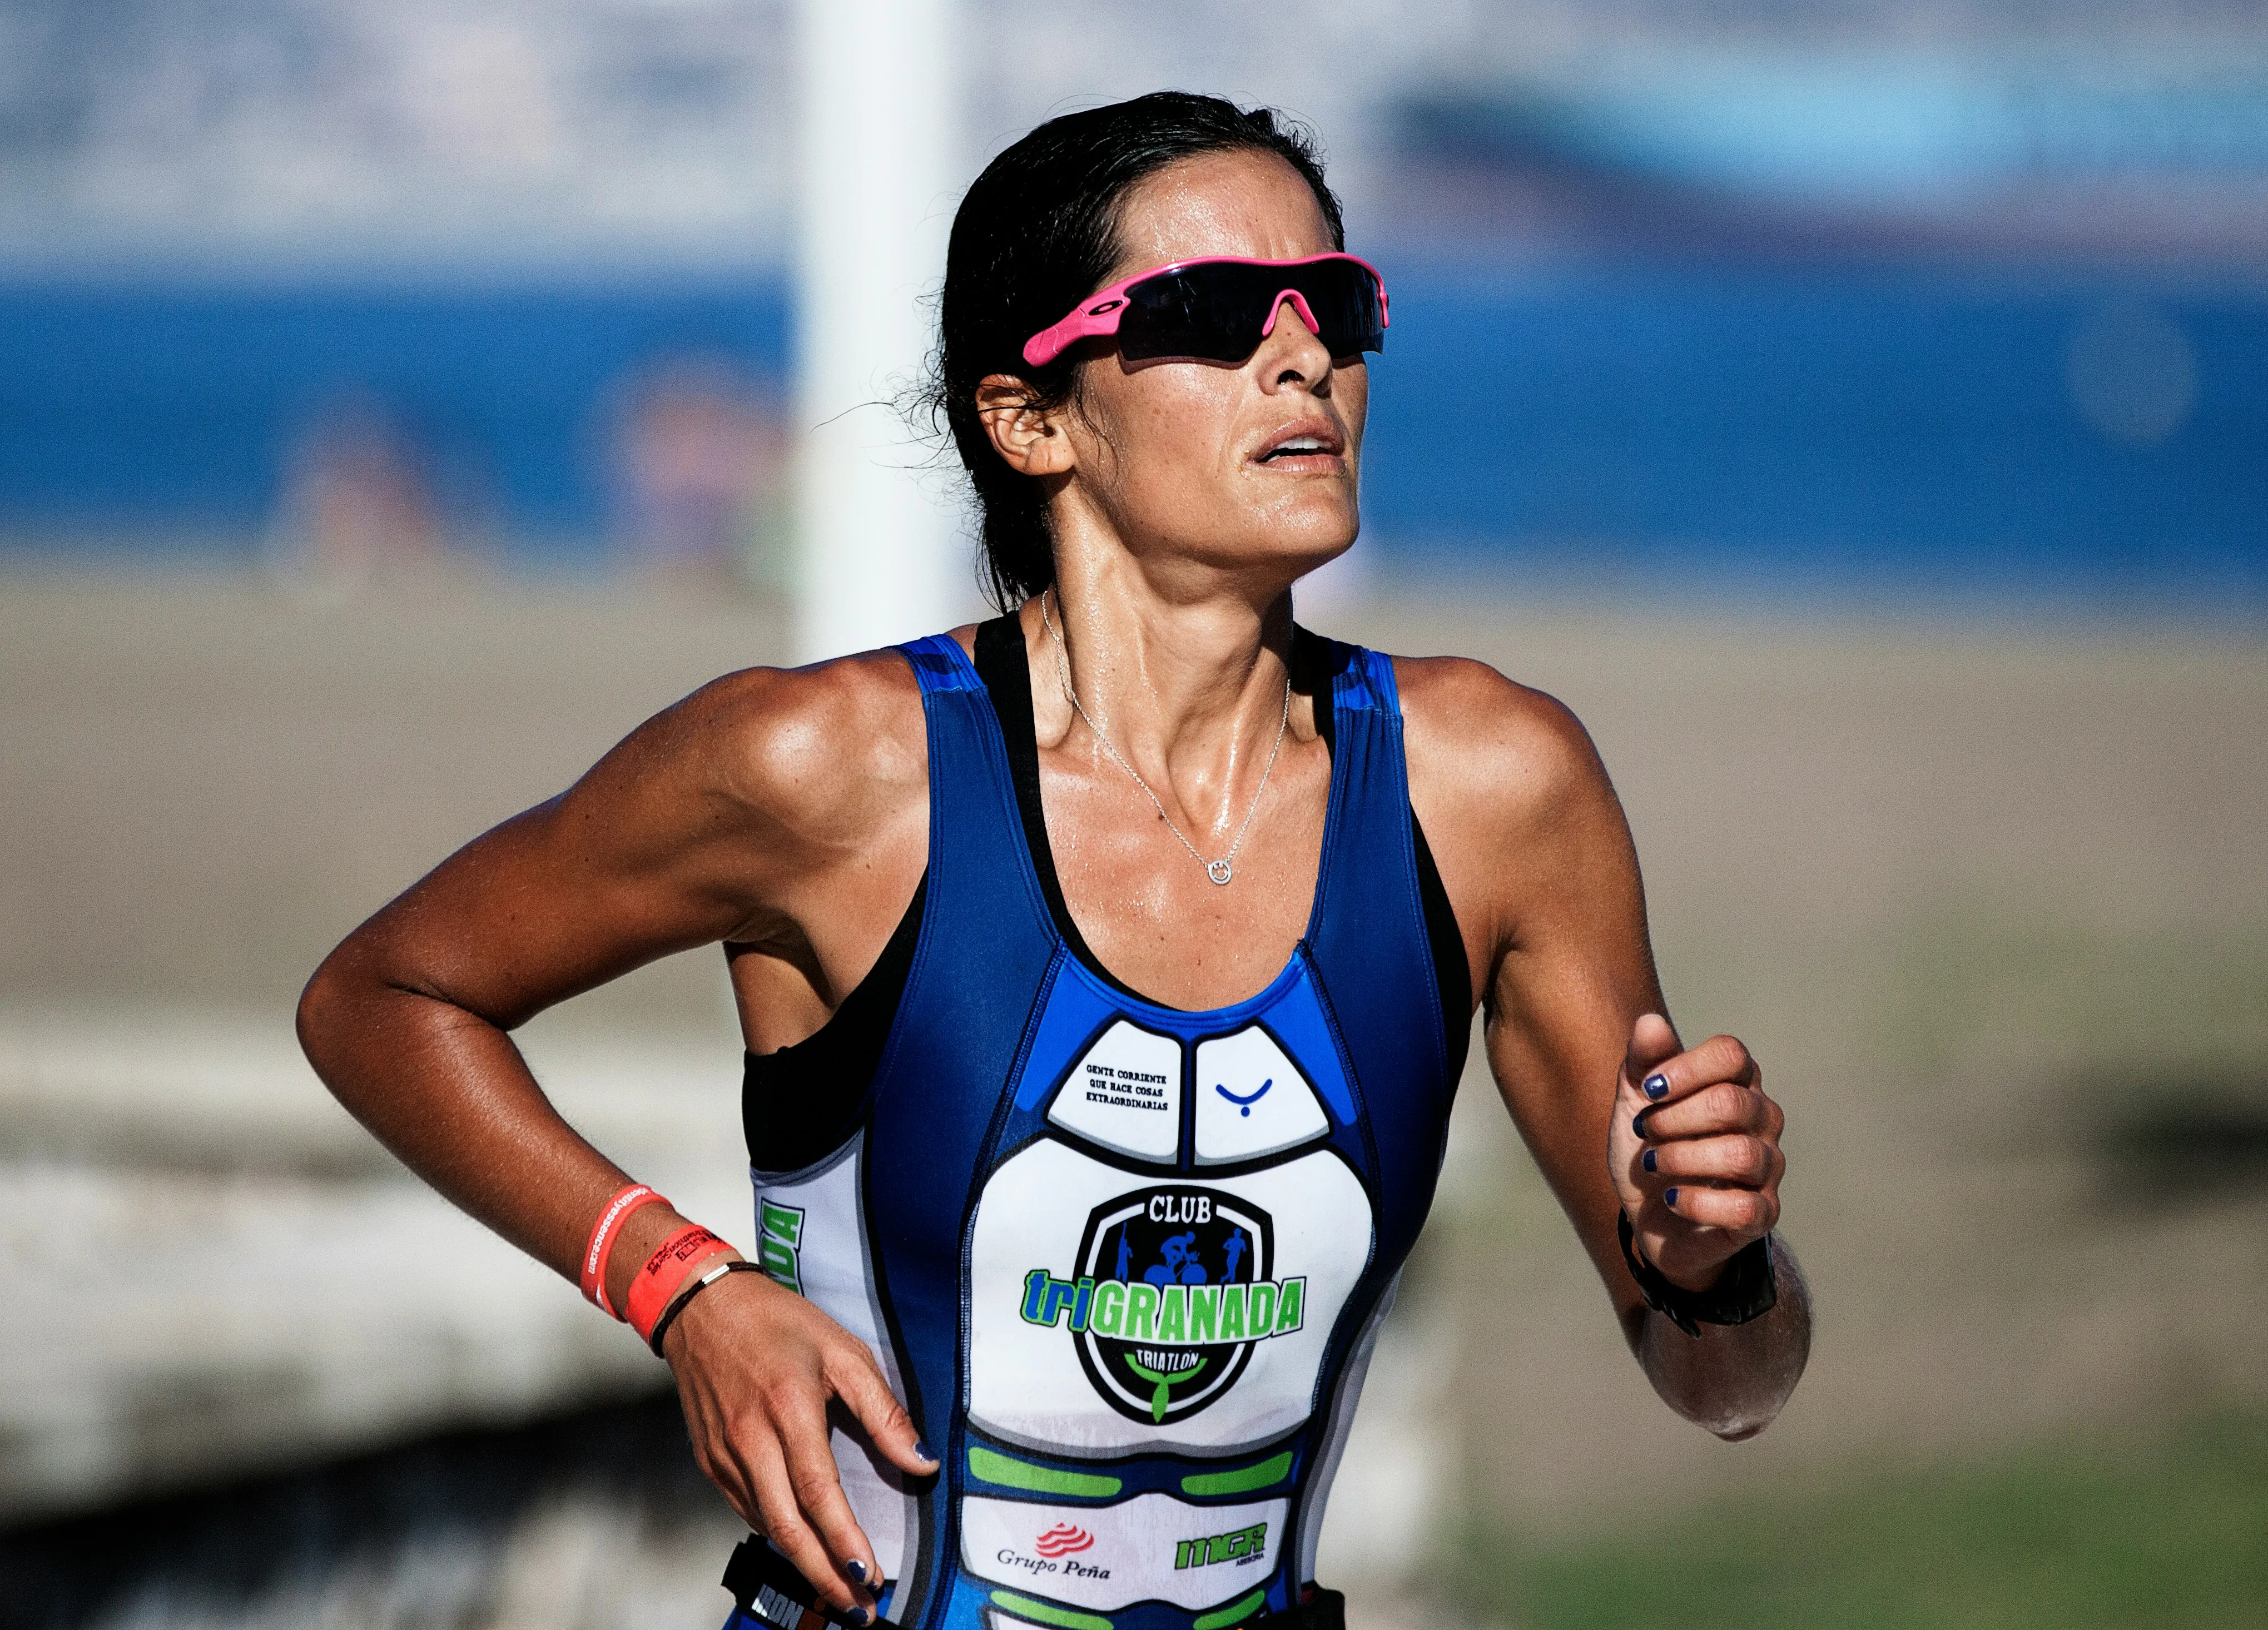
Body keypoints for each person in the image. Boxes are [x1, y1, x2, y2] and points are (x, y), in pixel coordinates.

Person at [297, 92, 1809, 1630]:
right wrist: (679, 1284)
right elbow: (382, 994)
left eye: (1336, 307)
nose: (1304, 357)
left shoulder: (1489, 786)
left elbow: (1728, 1383)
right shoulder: (828, 769)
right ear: (1031, 418)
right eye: (1214, 314)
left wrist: (1716, 1264)